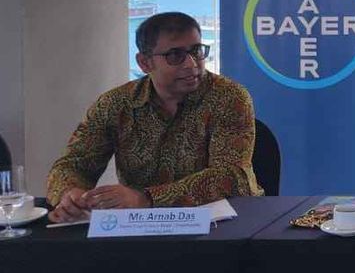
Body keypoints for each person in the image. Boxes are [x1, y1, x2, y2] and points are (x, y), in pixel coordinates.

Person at [47, 12, 262, 222]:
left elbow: (230, 176)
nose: (191, 64)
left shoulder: (229, 97)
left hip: (226, 225)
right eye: (175, 55)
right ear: (145, 63)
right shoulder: (115, 104)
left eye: (196, 51)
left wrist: (146, 199)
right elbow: (72, 164)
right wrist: (70, 196)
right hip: (141, 227)